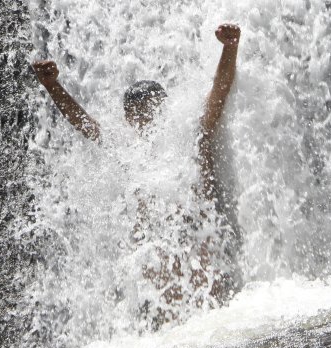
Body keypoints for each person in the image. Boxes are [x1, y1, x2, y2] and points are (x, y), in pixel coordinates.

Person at [31, 24, 243, 313]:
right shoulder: (129, 153)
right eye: (139, 114)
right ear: (129, 120)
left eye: (153, 109)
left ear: (165, 109)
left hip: (207, 275)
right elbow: (86, 125)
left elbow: (219, 90)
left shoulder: (191, 136)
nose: (147, 119)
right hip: (162, 297)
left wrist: (229, 48)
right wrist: (53, 86)